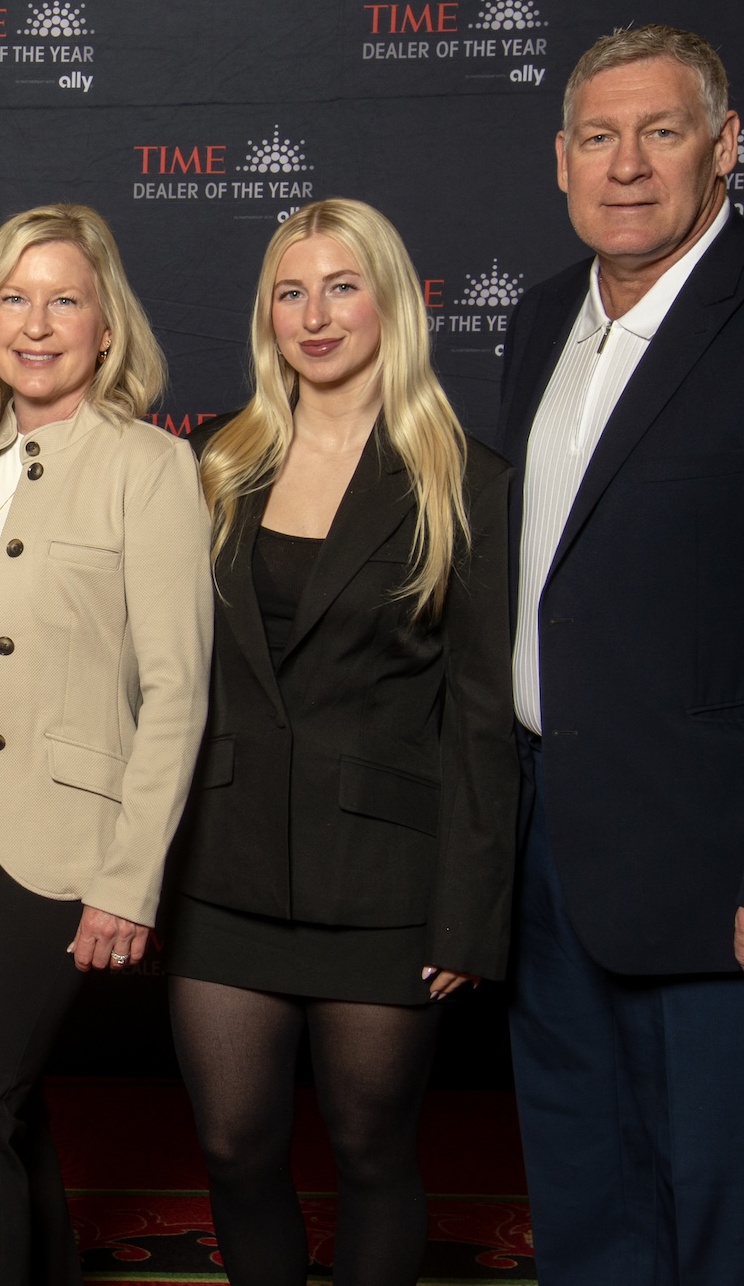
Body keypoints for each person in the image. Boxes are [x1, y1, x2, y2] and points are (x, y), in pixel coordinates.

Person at [499, 25, 744, 1285]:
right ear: (559, 158)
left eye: (659, 133)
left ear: (721, 147)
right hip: (548, 856)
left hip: (727, 880)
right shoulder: (539, 317)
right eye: (597, 137)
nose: (626, 165)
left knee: (726, 1214)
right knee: (583, 1195)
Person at [161, 198, 517, 1285]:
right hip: (221, 867)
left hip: (384, 884)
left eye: (340, 287)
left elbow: (481, 716)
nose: (314, 316)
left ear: (392, 302)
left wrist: (468, 911)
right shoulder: (213, 461)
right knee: (233, 1148)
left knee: (369, 1152)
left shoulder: (464, 478)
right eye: (290, 291)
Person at [0, 204, 212, 1286]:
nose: (35, 324)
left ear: (105, 326)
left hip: (50, 844)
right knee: (1, 1109)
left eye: (64, 300)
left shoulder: (149, 465)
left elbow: (176, 689)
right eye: (13, 298)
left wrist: (130, 879)